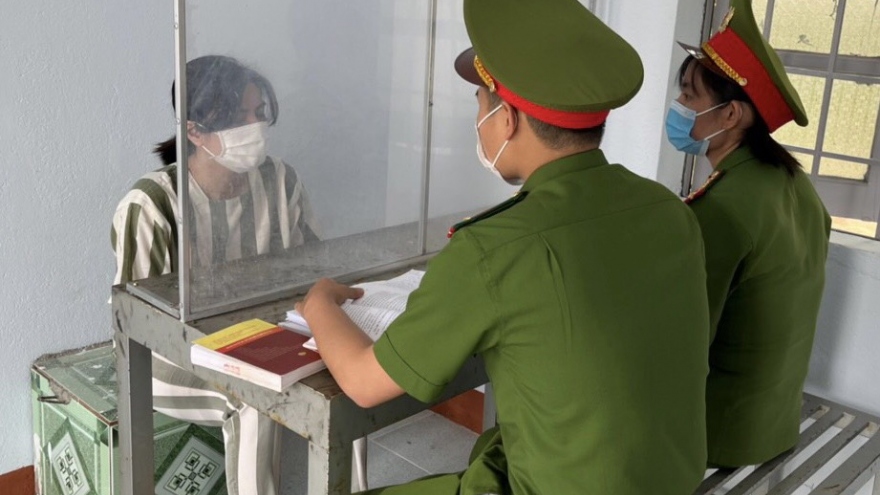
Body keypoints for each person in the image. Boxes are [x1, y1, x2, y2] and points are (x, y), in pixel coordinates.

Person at [296, 0, 711, 493]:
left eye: (480, 103)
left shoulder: (495, 247)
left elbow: (364, 384)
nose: (478, 120)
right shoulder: (667, 210)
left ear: (507, 118)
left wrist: (320, 302)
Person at [111, 55, 320, 495]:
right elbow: (142, 328)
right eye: (239, 117)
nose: (255, 126)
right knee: (251, 400)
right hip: (165, 355)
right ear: (194, 131)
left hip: (262, 338)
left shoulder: (281, 181)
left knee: (345, 367)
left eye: (259, 112)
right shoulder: (152, 204)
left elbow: (313, 268)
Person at [666, 0, 831, 468]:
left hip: (721, 430)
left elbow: (685, 341)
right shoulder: (793, 184)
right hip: (775, 421)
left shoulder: (722, 207)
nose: (679, 108)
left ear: (730, 115)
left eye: (689, 97)